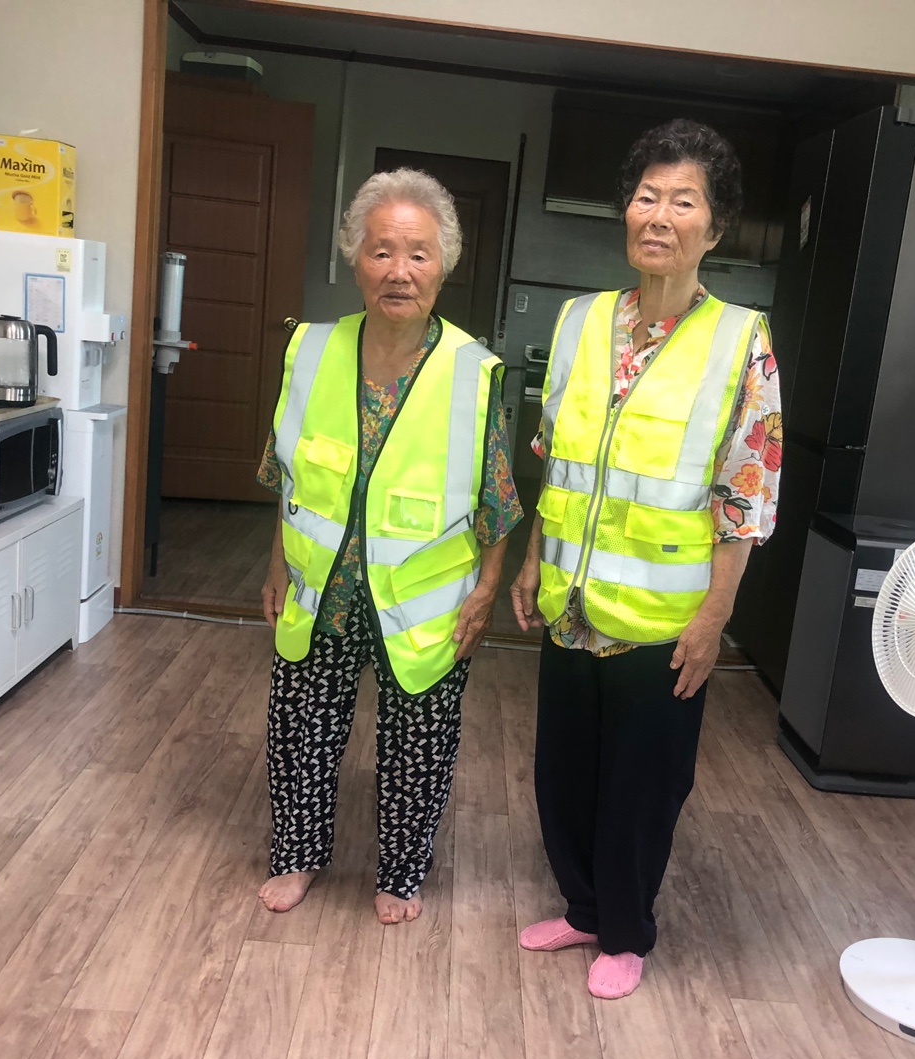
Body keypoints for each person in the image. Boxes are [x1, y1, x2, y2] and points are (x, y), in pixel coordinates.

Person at [510, 120, 782, 998]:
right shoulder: (581, 320)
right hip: (571, 601)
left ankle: (626, 932)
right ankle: (584, 908)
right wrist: (530, 559)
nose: (659, 215)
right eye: (646, 196)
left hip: (663, 620)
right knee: (564, 776)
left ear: (716, 226)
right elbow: (554, 453)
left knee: (641, 786)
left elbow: (746, 495)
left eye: (683, 201)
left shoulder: (741, 341)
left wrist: (716, 616)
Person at [256, 168, 522, 925]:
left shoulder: (473, 371)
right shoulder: (311, 350)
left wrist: (485, 592)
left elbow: (497, 500)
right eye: (381, 251)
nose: (398, 271)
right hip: (323, 585)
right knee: (300, 724)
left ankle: (402, 872)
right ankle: (297, 854)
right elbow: (290, 474)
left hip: (421, 599)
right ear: (355, 258)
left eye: (418, 254)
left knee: (420, 739)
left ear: (444, 265)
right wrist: (275, 565)